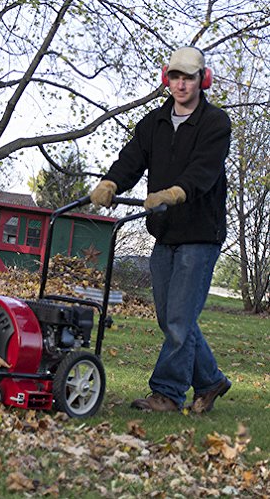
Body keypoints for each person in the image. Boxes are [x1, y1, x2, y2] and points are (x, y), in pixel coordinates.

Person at [90, 46, 232, 413]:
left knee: (179, 319)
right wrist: (111, 183)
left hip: (200, 234)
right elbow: (131, 159)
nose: (181, 84)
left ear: (203, 79)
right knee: (170, 318)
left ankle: (167, 393)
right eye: (175, 77)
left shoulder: (215, 123)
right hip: (165, 232)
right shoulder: (152, 123)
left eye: (189, 77)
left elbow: (204, 170)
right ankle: (211, 380)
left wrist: (174, 192)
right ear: (166, 78)